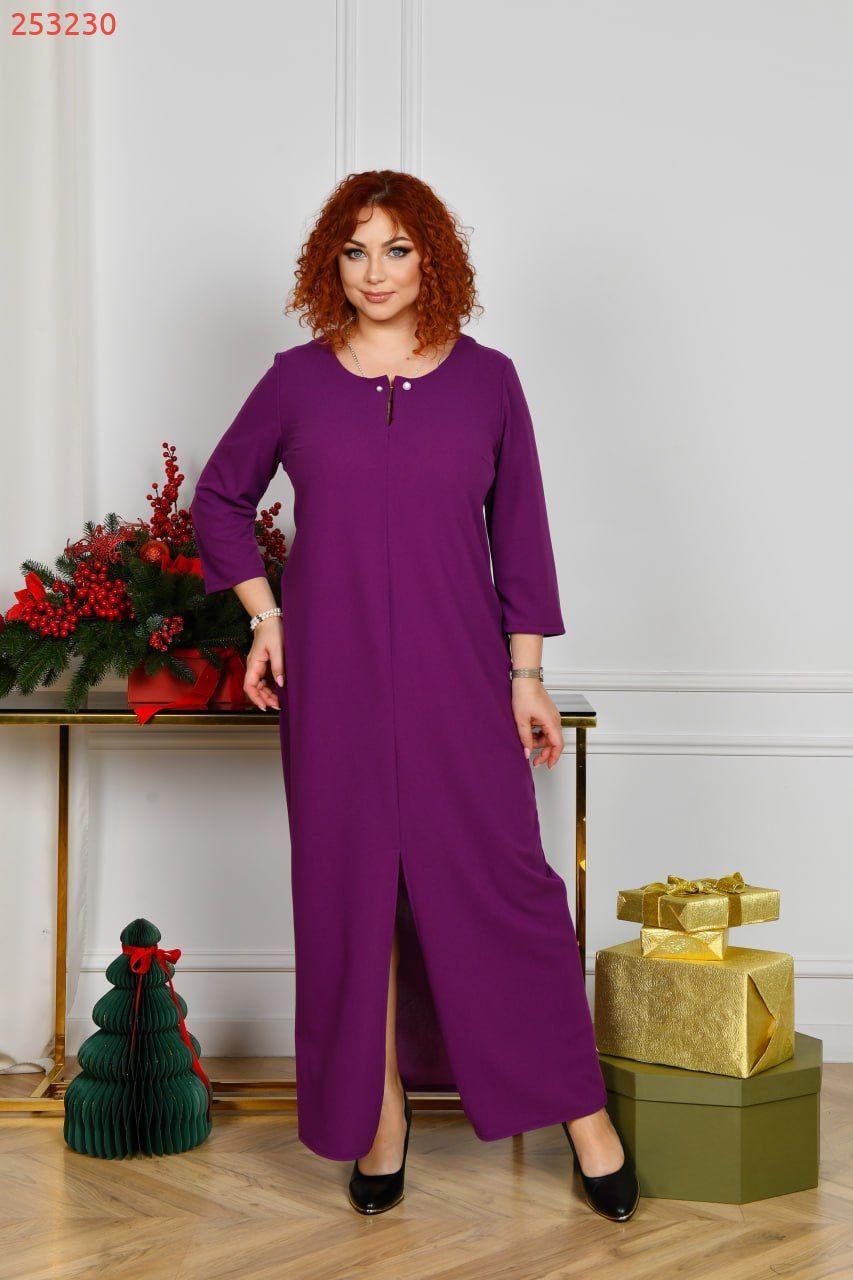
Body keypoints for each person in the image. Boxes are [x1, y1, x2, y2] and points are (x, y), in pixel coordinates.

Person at [190, 170, 639, 1222]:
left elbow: (520, 538)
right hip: (334, 684)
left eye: (396, 248)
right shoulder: (296, 383)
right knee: (350, 901)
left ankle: (584, 1119)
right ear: (329, 265)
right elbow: (220, 498)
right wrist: (265, 616)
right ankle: (378, 1117)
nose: (375, 272)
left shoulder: (488, 382)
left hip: (460, 680)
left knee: (506, 891)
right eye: (355, 251)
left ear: (432, 257)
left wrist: (526, 676)